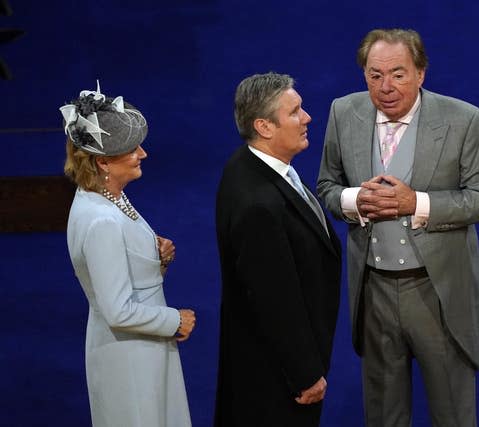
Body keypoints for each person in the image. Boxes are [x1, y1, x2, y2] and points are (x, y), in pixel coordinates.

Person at [317, 28, 479, 427]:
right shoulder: (343, 112)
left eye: (398, 74)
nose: (386, 87)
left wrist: (415, 202)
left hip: (437, 292)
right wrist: (353, 201)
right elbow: (326, 186)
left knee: (452, 413)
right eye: (375, 74)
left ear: (421, 73)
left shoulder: (464, 119)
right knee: (383, 415)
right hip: (374, 291)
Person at [63, 83, 196, 427]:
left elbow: (122, 276)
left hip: (142, 348)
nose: (143, 154)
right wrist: (174, 320)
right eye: (131, 149)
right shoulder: (101, 220)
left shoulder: (107, 198)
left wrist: (157, 260)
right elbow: (118, 310)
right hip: (130, 356)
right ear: (103, 161)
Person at [214, 72, 341, 427]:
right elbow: (273, 297)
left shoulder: (249, 165)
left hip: (266, 365)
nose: (307, 118)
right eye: (295, 112)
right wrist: (305, 372)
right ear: (264, 127)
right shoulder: (258, 203)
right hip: (276, 379)